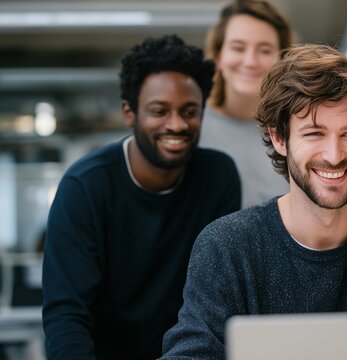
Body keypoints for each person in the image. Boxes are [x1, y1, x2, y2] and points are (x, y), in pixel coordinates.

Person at [161, 44, 347, 359]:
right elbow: (192, 352)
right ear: (280, 138)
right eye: (314, 134)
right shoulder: (227, 246)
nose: (334, 156)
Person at [42, 35, 241, 360]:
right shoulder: (84, 187)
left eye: (189, 111)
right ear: (130, 113)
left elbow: (216, 301)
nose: (176, 124)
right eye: (159, 111)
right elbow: (66, 315)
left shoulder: (219, 177)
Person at [199, 0, 293, 208]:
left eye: (265, 50)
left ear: (282, 61)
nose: (250, 61)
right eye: (238, 48)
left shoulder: (295, 132)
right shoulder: (190, 128)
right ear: (218, 57)